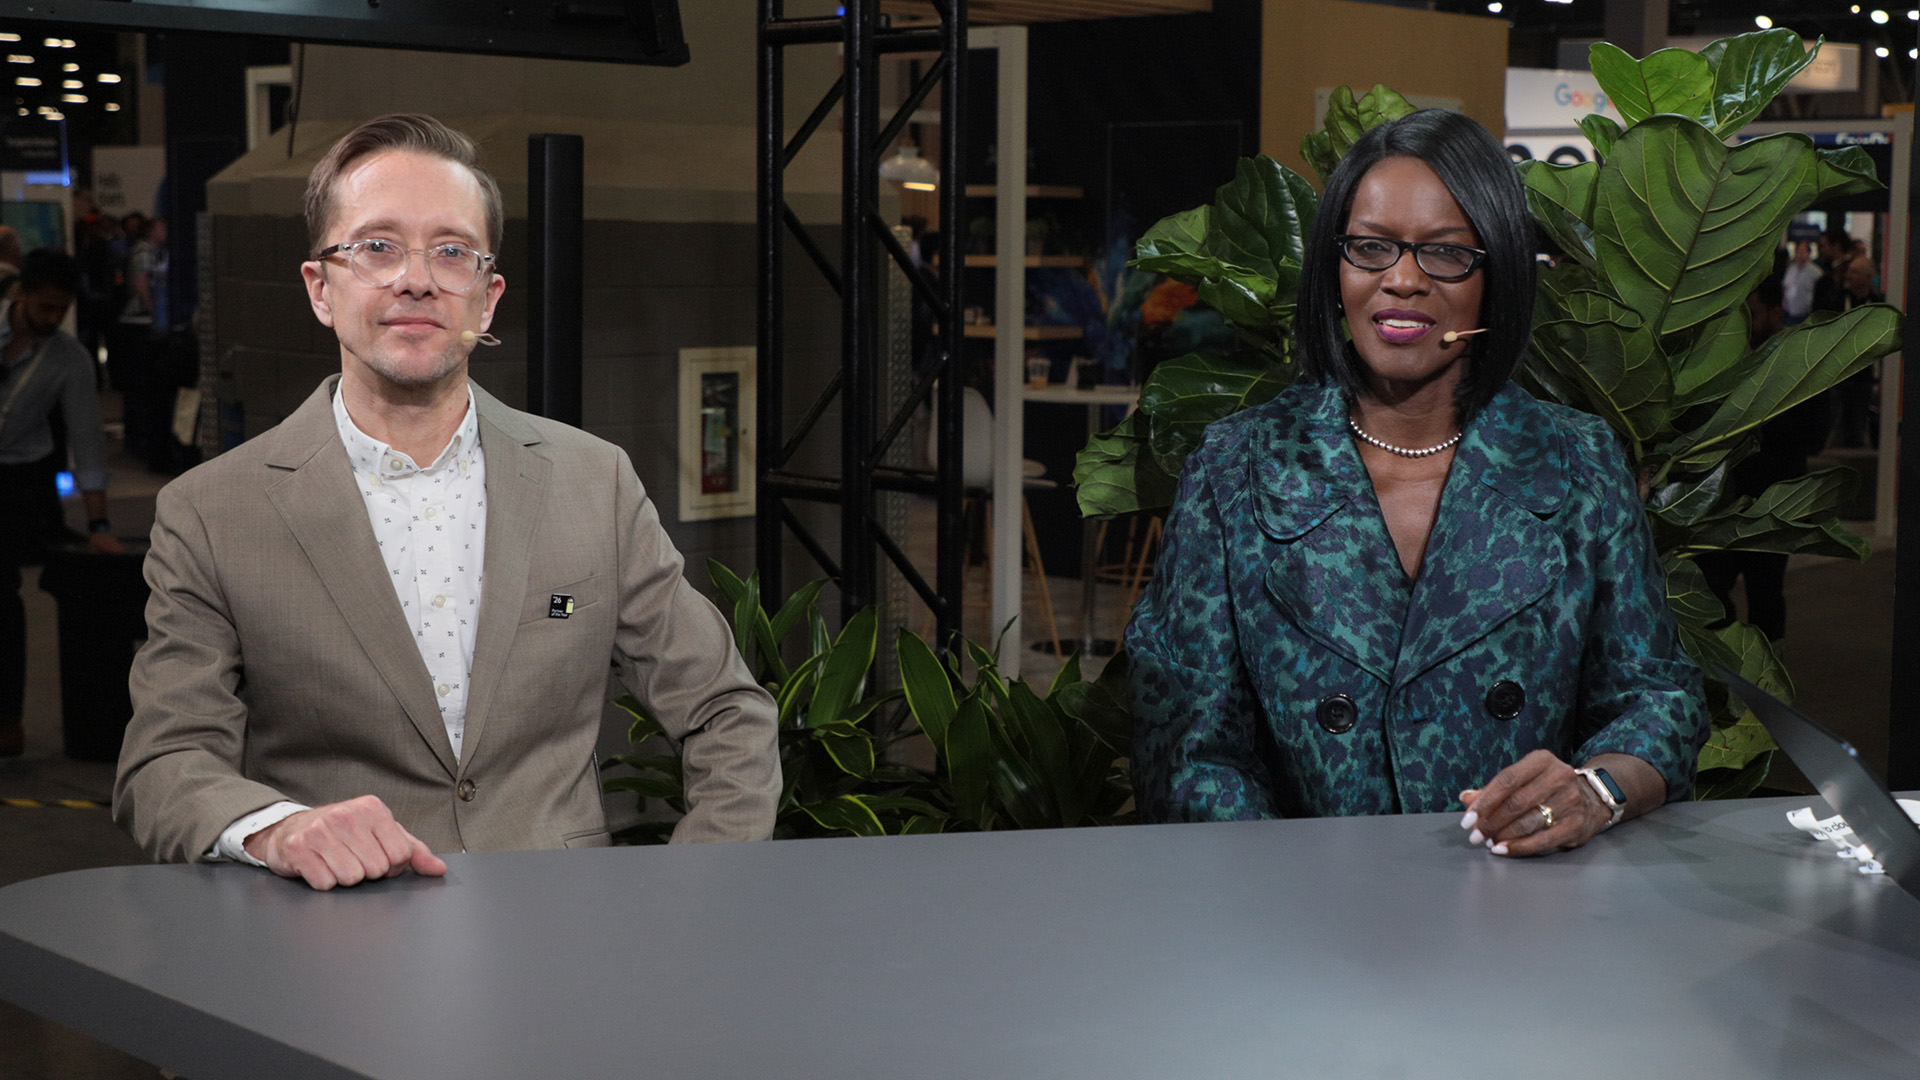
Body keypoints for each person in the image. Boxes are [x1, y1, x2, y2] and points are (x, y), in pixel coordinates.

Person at [114, 114, 782, 888]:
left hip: (560, 938)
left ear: (487, 298)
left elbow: (728, 715)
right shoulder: (212, 512)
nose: (416, 278)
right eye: (376, 247)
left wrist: (689, 901)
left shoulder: (592, 481)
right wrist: (281, 830)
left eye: (452, 252)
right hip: (332, 948)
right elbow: (165, 763)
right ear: (320, 287)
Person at [1126, 109, 1707, 857]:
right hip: (1292, 921)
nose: (1401, 280)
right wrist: (1291, 894)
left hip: (1520, 915)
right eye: (1370, 248)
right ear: (1334, 272)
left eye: (1445, 255)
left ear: (1495, 274)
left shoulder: (1579, 462)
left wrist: (1593, 791)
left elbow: (1658, 699)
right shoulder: (1237, 466)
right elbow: (1187, 748)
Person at [0, 248, 125, 757]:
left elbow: (86, 441)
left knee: (2, 592)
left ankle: (7, 719)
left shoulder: (69, 360)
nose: (54, 318)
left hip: (16, 479)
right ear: (21, 294)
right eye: (46, 307)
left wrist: (98, 521)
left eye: (62, 308)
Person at [1695, 276, 1828, 645]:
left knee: (1766, 595)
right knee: (1713, 591)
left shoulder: (1798, 364)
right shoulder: (1732, 360)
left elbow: (1814, 434)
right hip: (1728, 505)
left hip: (1773, 504)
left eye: (1752, 315)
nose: (1747, 324)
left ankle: (1764, 680)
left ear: (1774, 312)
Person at [1781, 241, 1817, 326]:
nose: (1801, 254)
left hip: (1805, 314)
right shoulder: (1790, 269)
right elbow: (1785, 287)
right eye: (1799, 251)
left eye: (1803, 251)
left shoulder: (1815, 272)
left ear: (1809, 253)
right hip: (1789, 313)